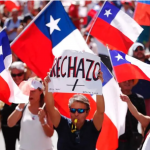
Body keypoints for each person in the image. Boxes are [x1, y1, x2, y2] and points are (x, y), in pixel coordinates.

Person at [44, 70, 104, 150]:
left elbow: (100, 111)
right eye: (73, 110)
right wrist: (48, 86)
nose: (76, 114)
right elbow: (50, 108)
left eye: (80, 111)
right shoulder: (63, 124)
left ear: (87, 112)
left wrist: (98, 87)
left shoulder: (93, 126)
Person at [7, 77, 54, 150]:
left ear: (41, 91)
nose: (30, 94)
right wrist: (20, 106)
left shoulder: (47, 109)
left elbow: (50, 134)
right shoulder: (23, 107)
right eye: (28, 91)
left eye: (33, 91)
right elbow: (10, 123)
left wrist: (42, 121)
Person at [0, 61, 27, 150]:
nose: (17, 77)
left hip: (24, 126)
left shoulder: (30, 87)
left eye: (19, 74)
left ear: (24, 74)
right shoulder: (5, 86)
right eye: (14, 75)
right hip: (7, 126)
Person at [117, 80, 146, 150]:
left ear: (133, 83)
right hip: (115, 138)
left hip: (133, 140)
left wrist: (144, 138)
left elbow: (143, 121)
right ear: (119, 83)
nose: (127, 82)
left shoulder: (139, 99)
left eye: (130, 80)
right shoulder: (114, 97)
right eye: (124, 80)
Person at [131, 43, 150, 116]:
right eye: (136, 50)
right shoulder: (130, 65)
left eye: (141, 49)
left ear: (144, 50)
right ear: (133, 53)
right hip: (134, 100)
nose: (139, 51)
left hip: (148, 98)